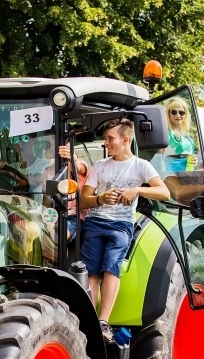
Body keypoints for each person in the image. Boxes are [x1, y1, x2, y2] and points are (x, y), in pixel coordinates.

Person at [79, 119, 170, 341]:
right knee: (92, 273)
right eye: (106, 139)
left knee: (112, 267)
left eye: (110, 138)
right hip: (95, 223)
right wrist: (100, 198)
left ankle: (103, 321)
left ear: (125, 140)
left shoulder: (141, 166)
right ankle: (91, 322)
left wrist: (136, 190)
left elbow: (164, 193)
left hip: (121, 226)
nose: (106, 143)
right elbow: (84, 201)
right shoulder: (99, 166)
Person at [163, 97, 196, 173]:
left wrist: (195, 161)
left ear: (185, 115)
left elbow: (190, 155)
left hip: (187, 175)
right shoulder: (165, 132)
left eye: (181, 112)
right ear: (168, 114)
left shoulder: (186, 134)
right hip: (171, 175)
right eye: (174, 112)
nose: (178, 115)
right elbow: (160, 156)